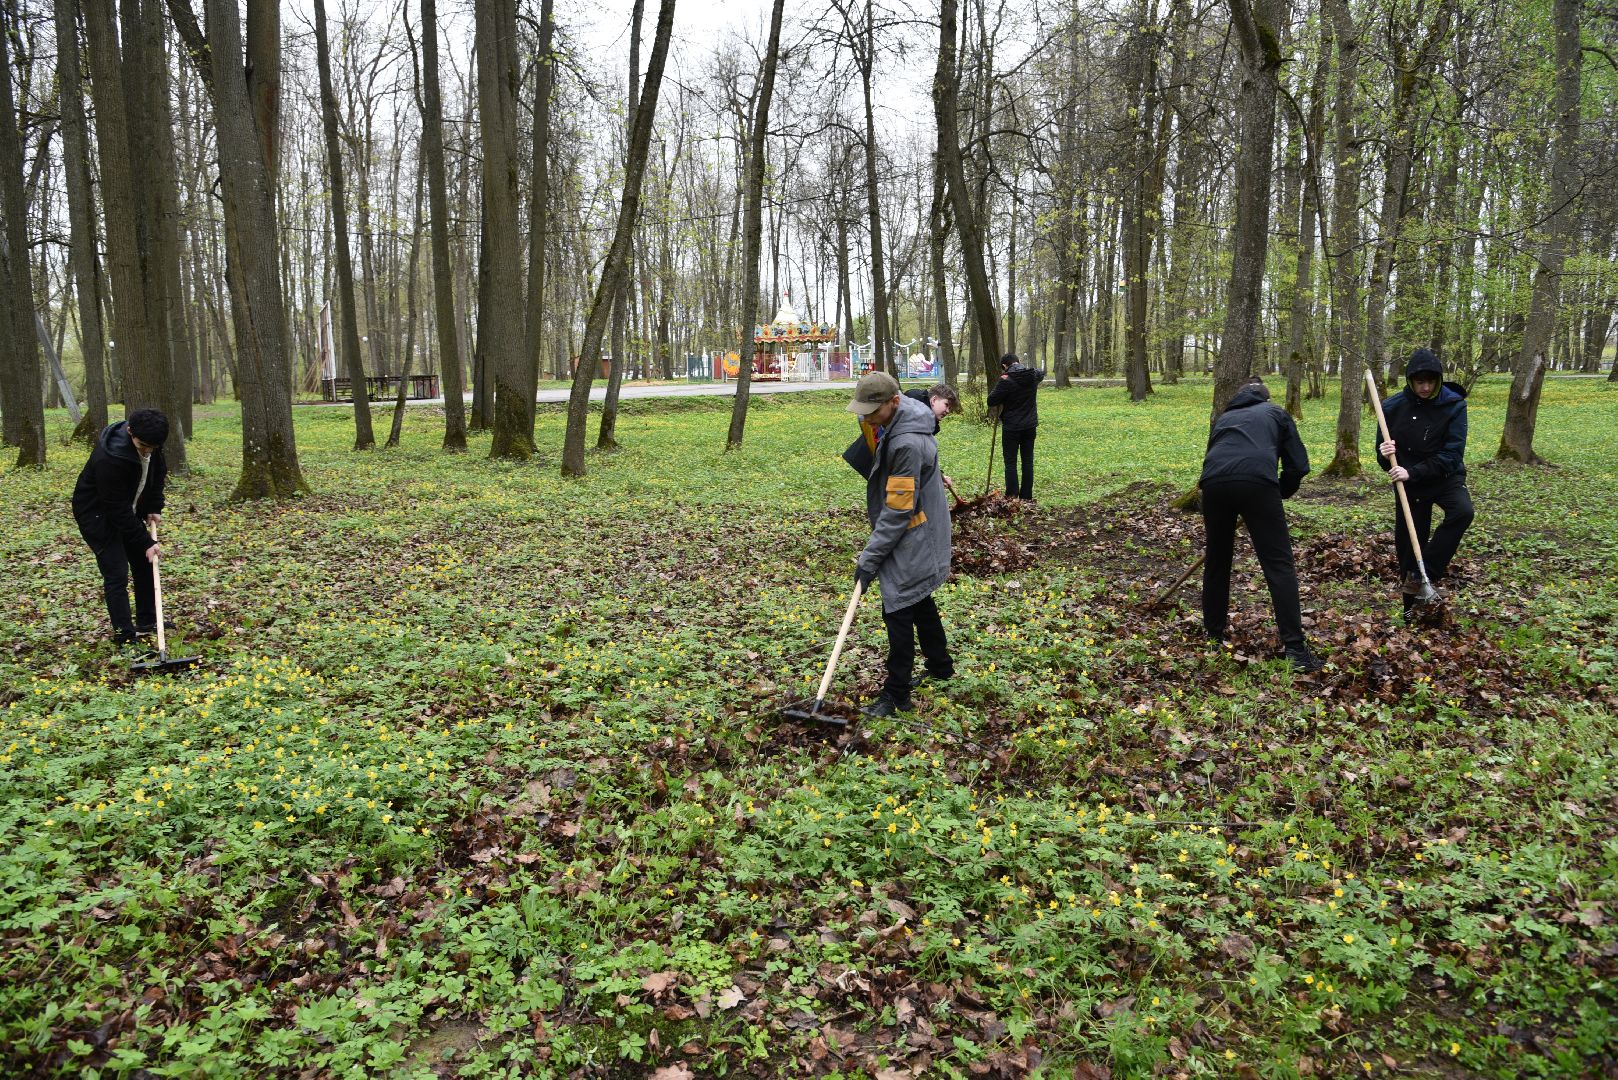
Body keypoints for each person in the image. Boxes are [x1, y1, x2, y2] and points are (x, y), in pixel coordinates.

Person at [845, 371, 955, 717]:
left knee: (898, 604)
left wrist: (869, 559)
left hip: (915, 529)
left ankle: (896, 694)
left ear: (894, 402)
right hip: (924, 523)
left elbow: (897, 511)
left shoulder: (906, 443)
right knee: (918, 595)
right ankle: (940, 665)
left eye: (871, 410)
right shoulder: (905, 411)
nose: (865, 417)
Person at [1199, 378, 1321, 673]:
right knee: (1278, 564)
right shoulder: (1276, 413)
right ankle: (1295, 650)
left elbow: (1214, 457)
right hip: (1257, 484)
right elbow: (1298, 466)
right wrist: (1279, 492)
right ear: (1265, 399)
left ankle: (1213, 636)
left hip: (1213, 485)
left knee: (1217, 562)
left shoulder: (1224, 418)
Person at [1375, 347, 1473, 614]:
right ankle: (1410, 611)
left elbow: (1453, 455)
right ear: (1410, 380)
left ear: (1439, 380)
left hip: (1444, 477)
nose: (1426, 387)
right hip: (1410, 486)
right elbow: (1384, 458)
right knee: (1408, 544)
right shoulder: (1391, 408)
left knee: (1462, 512)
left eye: (1431, 381)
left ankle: (1425, 572)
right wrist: (1385, 455)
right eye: (1420, 382)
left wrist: (1413, 471)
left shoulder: (1454, 405)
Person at [72, 409, 169, 645]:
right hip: (97, 515)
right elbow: (116, 509)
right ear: (129, 432)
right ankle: (124, 635)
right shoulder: (110, 458)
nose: (147, 451)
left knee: (145, 562)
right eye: (142, 445)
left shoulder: (152, 443)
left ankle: (147, 620)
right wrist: (146, 541)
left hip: (127, 509)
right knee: (116, 572)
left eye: (153, 447)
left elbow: (157, 475)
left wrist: (154, 506)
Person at [986, 353, 1044, 501]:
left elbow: (991, 400)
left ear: (1005, 366)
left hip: (1012, 427)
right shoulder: (1033, 375)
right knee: (1028, 460)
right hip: (1030, 425)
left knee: (1010, 462)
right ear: (1018, 362)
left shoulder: (1006, 380)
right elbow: (1041, 373)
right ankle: (1026, 497)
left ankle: (1012, 497)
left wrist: (1002, 382)